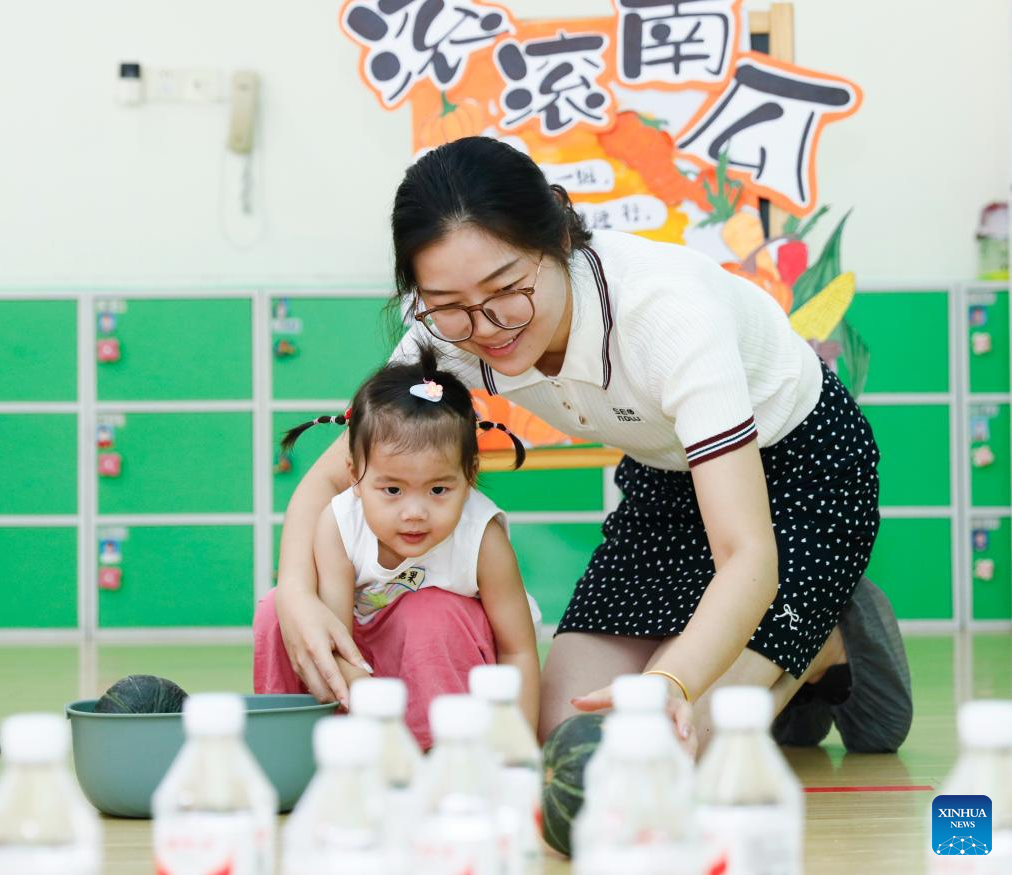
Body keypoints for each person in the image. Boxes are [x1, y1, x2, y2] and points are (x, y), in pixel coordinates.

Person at [272, 136, 912, 756]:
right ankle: (776, 649)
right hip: (668, 474)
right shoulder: (446, 335)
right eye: (448, 305)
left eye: (507, 290)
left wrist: (672, 680)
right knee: (568, 738)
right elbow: (334, 475)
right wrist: (296, 592)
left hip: (803, 472)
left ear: (558, 237)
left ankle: (821, 638)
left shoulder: (667, 313)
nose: (487, 328)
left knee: (655, 747)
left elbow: (746, 551)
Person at [253, 347, 540, 748]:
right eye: (392, 490)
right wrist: (364, 699)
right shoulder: (339, 523)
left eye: (438, 490)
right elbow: (339, 641)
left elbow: (518, 651)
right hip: (366, 658)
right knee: (276, 609)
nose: (414, 513)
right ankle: (296, 745)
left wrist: (520, 750)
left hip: (448, 663)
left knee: (429, 612)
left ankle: (439, 751)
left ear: (470, 476)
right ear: (354, 475)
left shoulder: (482, 538)